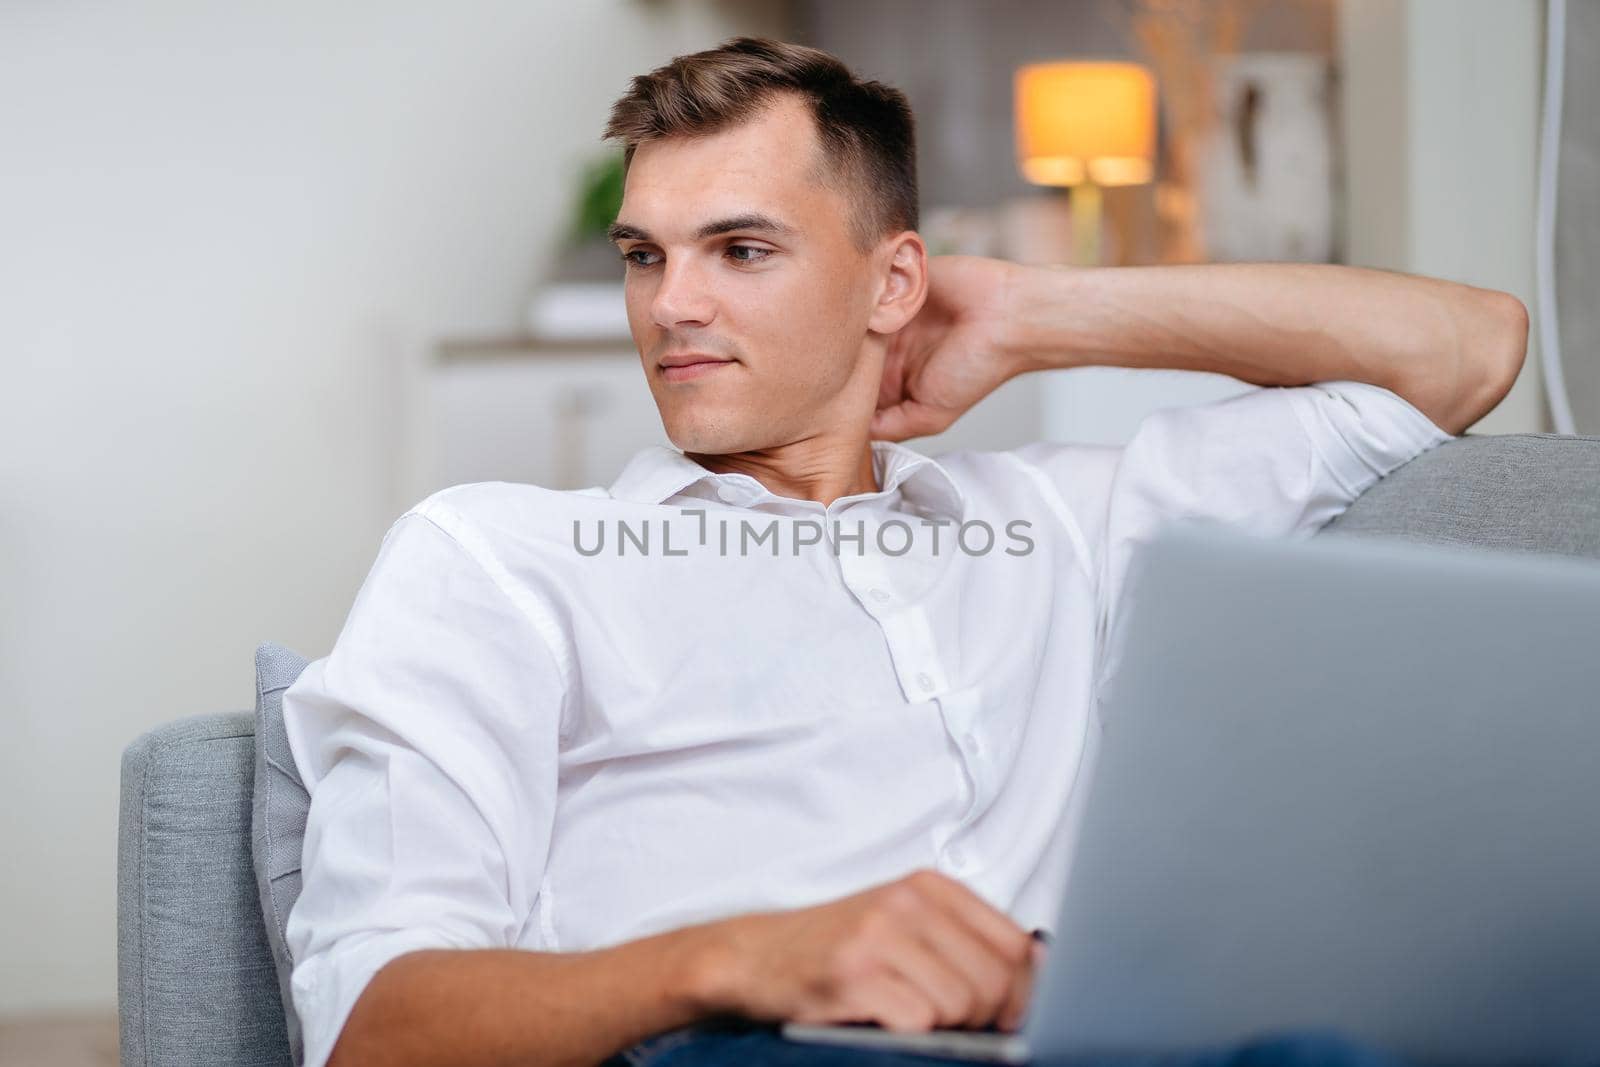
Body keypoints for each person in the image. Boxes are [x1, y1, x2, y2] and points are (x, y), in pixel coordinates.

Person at [279, 36, 1528, 1067]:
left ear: (893, 286)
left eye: (742, 249)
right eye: (646, 256)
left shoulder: (1065, 523)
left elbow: (1466, 347)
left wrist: (1040, 313)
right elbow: (371, 1026)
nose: (670, 306)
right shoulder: (503, 557)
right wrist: (735, 955)